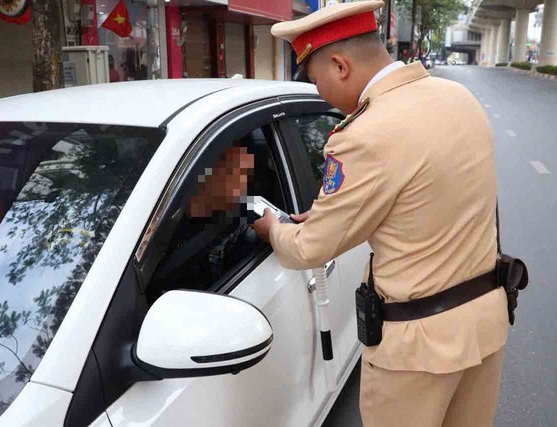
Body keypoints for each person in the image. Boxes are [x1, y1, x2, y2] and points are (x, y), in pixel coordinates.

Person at [252, 1, 509, 426]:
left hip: (417, 353)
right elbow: (427, 199)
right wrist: (326, 216)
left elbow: (310, 249)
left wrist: (273, 229)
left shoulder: (364, 135)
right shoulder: (458, 97)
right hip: (484, 323)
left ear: (339, 65)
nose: (319, 92)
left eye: (316, 80)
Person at [149, 145, 257, 298]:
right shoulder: (158, 223)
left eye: (246, 174)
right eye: (236, 173)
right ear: (207, 174)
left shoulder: (242, 224)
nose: (244, 185)